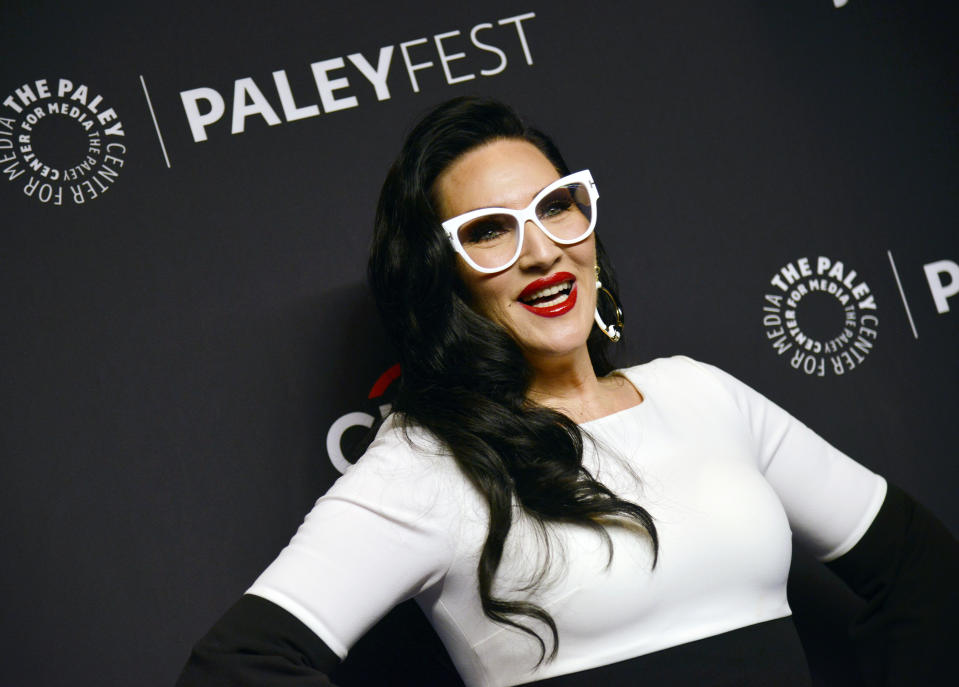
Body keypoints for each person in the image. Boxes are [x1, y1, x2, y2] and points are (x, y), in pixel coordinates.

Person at [177, 97, 958, 686]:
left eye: (556, 206)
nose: (541, 250)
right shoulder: (428, 460)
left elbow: (922, 571)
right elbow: (239, 665)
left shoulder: (701, 393)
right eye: (489, 229)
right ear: (440, 276)